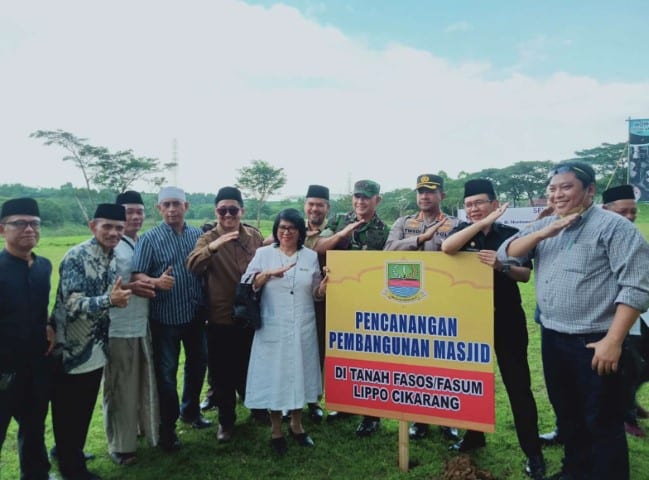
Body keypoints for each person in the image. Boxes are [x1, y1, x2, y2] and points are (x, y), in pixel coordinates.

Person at [498, 162, 649, 480]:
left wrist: (613, 341)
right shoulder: (548, 225)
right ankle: (575, 471)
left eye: (566, 187)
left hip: (596, 341)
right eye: (552, 188)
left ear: (589, 190)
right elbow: (504, 255)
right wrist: (545, 231)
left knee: (603, 421)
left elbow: (636, 286)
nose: (557, 193)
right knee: (569, 416)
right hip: (553, 338)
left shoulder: (613, 227)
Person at [441, 179, 545, 480]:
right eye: (470, 204)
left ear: (495, 203)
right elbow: (447, 248)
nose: (474, 208)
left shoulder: (511, 235)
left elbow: (525, 275)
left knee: (518, 387)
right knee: (472, 381)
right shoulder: (460, 233)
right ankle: (474, 435)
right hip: (470, 321)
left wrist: (501, 265)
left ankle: (532, 452)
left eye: (481, 203)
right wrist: (482, 222)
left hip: (507, 319)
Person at [51, 203, 132, 480]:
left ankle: (69, 450)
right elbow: (73, 303)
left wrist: (113, 298)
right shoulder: (77, 256)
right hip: (71, 349)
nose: (113, 232)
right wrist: (110, 300)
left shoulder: (111, 256)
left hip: (96, 346)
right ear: (93, 226)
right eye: (107, 226)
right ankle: (72, 468)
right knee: (68, 409)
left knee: (83, 406)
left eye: (119, 228)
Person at [242, 208, 328, 455]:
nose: (286, 232)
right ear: (276, 230)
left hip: (302, 325)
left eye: (291, 228)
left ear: (300, 231)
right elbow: (248, 285)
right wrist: (267, 274)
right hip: (273, 325)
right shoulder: (263, 254)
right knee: (274, 374)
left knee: (300, 372)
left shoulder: (310, 256)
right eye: (282, 228)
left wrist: (322, 289)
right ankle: (276, 428)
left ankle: (297, 424)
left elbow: (314, 292)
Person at [131, 186, 210, 452]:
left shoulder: (197, 235)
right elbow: (137, 275)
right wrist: (156, 281)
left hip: (195, 314)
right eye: (166, 205)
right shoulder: (150, 239)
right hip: (165, 318)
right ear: (159, 209)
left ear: (186, 206)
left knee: (198, 364)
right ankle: (168, 427)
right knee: (166, 374)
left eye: (177, 204)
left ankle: (191, 412)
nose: (172, 210)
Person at [384, 174, 460, 441]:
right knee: (414, 362)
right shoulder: (404, 223)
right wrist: (418, 240)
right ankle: (419, 418)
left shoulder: (455, 224)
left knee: (443, 361)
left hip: (444, 302)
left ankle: (446, 419)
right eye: (420, 192)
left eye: (431, 191)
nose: (424, 196)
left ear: (442, 195)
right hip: (409, 301)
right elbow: (389, 250)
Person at [186, 186, 265, 442]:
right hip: (220, 317)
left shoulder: (253, 236)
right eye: (223, 210)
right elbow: (193, 265)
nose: (228, 215)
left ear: (242, 210)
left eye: (233, 209)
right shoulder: (207, 238)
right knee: (222, 374)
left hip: (250, 315)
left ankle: (257, 407)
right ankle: (226, 422)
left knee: (250, 367)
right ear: (216, 212)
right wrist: (215, 246)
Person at [318, 179, 389, 436]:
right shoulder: (338, 221)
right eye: (357, 196)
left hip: (369, 302)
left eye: (367, 197)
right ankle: (345, 404)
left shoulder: (384, 230)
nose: (361, 201)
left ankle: (371, 415)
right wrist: (340, 236)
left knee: (370, 358)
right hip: (337, 299)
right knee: (341, 354)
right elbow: (319, 246)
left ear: (377, 200)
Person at [102, 191, 159, 466]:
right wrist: (132, 287)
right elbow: (103, 287)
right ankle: (120, 446)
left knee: (139, 384)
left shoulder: (140, 243)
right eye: (128, 212)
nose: (135, 216)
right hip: (117, 328)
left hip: (141, 324)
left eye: (139, 211)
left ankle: (137, 431)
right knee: (120, 388)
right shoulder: (111, 244)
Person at [0, 198, 55, 480]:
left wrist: (48, 324)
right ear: (2, 229)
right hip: (4, 369)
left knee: (34, 428)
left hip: (36, 365)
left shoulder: (43, 266)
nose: (29, 229)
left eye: (34, 223)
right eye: (19, 223)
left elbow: (41, 307)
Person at [601, 184, 647, 437]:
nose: (629, 217)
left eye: (633, 212)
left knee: (640, 364)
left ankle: (630, 403)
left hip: (640, 312)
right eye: (623, 212)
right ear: (606, 210)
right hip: (613, 316)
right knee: (626, 366)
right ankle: (626, 416)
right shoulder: (599, 237)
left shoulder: (633, 237)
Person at [302, 184, 331, 422]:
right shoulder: (293, 228)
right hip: (295, 298)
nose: (315, 209)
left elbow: (327, 245)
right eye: (311, 204)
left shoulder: (333, 231)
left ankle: (314, 400)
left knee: (318, 349)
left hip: (322, 300)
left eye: (320, 205)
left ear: (327, 208)